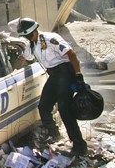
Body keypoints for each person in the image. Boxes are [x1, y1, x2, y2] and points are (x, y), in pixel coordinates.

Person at [16, 17, 89, 156]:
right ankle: (54, 134)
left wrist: (78, 76)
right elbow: (23, 58)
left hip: (66, 74)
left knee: (64, 109)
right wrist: (13, 67)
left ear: (32, 32)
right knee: (43, 106)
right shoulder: (31, 44)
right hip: (54, 76)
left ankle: (80, 145)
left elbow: (72, 54)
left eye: (25, 35)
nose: (25, 37)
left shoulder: (50, 38)